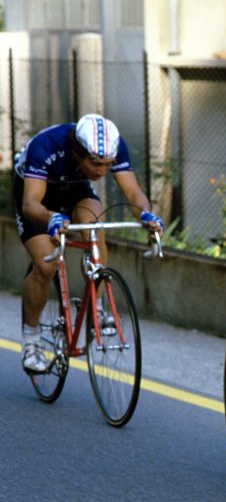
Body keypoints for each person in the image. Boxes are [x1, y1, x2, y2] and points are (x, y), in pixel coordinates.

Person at [13, 114, 163, 373]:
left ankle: (97, 305)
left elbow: (132, 192)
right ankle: (31, 342)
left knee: (95, 223)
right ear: (76, 151)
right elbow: (31, 204)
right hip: (37, 196)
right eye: (95, 164)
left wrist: (146, 215)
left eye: (108, 165)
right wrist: (51, 217)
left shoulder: (114, 144)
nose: (101, 172)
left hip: (73, 188)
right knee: (46, 266)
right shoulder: (46, 145)